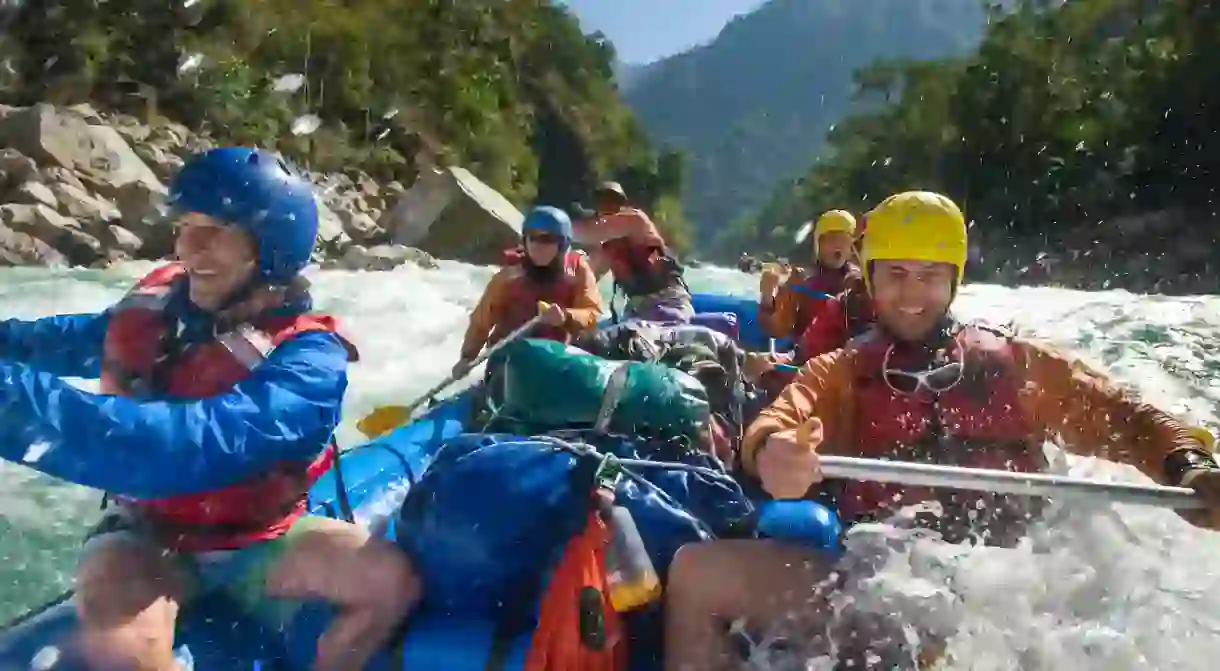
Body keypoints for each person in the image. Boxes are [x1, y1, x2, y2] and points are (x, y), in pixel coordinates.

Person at [663, 191, 1220, 670]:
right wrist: (772, 452)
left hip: (1016, 586)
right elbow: (777, 421)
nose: (911, 295)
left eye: (929, 277)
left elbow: (1124, 417)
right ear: (871, 278)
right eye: (896, 274)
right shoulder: (841, 372)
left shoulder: (1017, 365)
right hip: (885, 578)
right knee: (696, 575)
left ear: (954, 280)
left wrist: (1188, 467)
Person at [0, 148, 418, 671]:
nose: (187, 247)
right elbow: (49, 342)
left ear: (271, 252)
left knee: (392, 582)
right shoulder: (156, 310)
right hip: (145, 538)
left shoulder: (311, 362)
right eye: (184, 226)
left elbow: (193, 446)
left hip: (259, 539)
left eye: (215, 230)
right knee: (123, 653)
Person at [454, 205, 602, 376]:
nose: (537, 246)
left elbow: (592, 313)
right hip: (511, 360)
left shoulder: (578, 271)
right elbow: (481, 322)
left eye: (546, 239)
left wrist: (566, 316)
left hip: (557, 358)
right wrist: (467, 357)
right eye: (532, 238)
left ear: (562, 244)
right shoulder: (509, 277)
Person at [574, 181, 692, 324]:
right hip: (638, 308)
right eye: (602, 201)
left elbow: (592, 233)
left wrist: (557, 229)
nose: (608, 206)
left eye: (614, 201)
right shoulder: (607, 249)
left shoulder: (635, 220)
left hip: (669, 300)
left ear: (622, 204)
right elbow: (589, 277)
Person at [758, 209, 861, 341]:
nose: (837, 246)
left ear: (851, 248)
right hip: (805, 354)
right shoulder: (800, 280)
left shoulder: (859, 282)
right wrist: (767, 297)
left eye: (843, 240)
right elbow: (778, 330)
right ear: (819, 245)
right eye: (831, 240)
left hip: (844, 356)